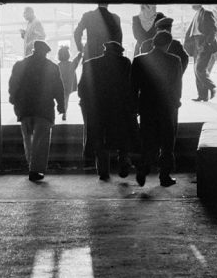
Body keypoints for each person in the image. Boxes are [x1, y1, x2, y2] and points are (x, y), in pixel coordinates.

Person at [78, 41, 137, 181]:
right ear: (119, 52)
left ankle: (103, 171)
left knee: (100, 138)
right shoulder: (125, 63)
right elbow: (131, 87)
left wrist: (88, 104)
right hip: (119, 108)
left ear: (105, 51)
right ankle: (124, 163)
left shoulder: (90, 63)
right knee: (123, 138)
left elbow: (82, 88)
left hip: (97, 109)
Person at [8, 40, 65, 182]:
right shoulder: (52, 67)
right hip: (44, 108)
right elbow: (58, 87)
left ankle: (31, 166)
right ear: (45, 52)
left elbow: (13, 84)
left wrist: (13, 99)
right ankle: (35, 169)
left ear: (34, 50)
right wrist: (61, 104)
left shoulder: (20, 65)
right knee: (41, 141)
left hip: (24, 108)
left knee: (28, 139)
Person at [131, 31, 182, 188]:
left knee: (148, 140)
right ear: (168, 44)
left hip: (147, 107)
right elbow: (177, 85)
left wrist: (135, 107)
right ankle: (164, 176)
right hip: (167, 106)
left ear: (153, 42)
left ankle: (143, 169)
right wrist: (176, 102)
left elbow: (133, 87)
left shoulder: (139, 60)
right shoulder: (174, 60)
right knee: (167, 142)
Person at [184, 4, 217, 102]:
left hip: (204, 43)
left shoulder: (207, 13)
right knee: (196, 71)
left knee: (199, 68)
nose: (191, 5)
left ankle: (212, 87)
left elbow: (213, 30)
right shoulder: (196, 14)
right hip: (196, 44)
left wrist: (207, 43)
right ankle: (202, 96)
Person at [56, 46, 82, 121]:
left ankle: (61, 109)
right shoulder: (71, 64)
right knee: (66, 99)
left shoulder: (58, 65)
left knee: (61, 98)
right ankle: (64, 113)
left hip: (59, 85)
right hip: (68, 86)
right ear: (68, 55)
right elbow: (77, 59)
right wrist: (80, 52)